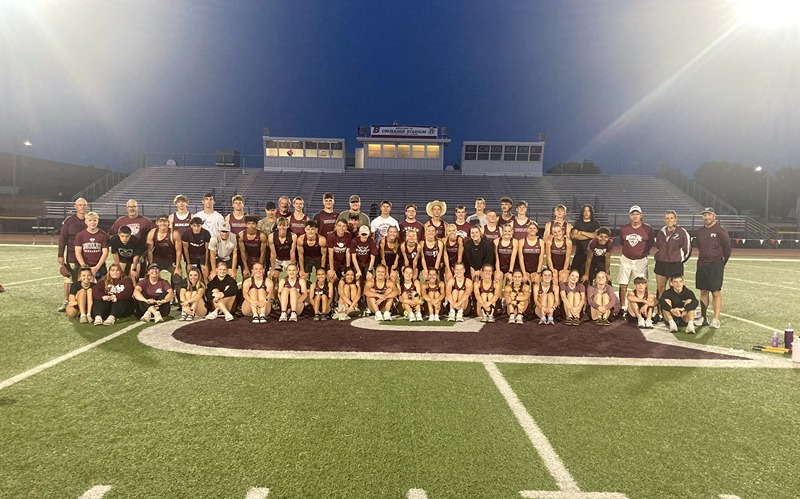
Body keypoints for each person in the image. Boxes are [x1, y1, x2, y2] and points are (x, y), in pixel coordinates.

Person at [695, 207, 731, 329]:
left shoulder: (720, 230)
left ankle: (716, 319)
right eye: (705, 215)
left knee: (715, 292)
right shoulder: (700, 232)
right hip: (702, 265)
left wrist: (721, 263)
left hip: (715, 265)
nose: (707, 217)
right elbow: (700, 247)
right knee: (703, 291)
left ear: (714, 216)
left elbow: (727, 249)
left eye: (709, 215)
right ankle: (703, 317)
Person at [653, 210, 692, 319]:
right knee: (660, 289)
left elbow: (688, 249)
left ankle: (674, 312)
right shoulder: (661, 232)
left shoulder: (682, 232)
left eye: (671, 218)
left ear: (675, 219)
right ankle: (661, 312)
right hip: (661, 264)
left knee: (675, 289)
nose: (669, 220)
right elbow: (659, 247)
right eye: (667, 218)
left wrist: (679, 259)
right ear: (664, 220)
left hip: (675, 264)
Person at [618, 205, 654, 311]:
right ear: (630, 216)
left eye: (637, 214)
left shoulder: (647, 229)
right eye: (633, 214)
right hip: (626, 259)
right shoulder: (624, 228)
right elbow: (622, 242)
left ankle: (642, 307)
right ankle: (622, 307)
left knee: (642, 284)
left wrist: (641, 253)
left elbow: (650, 243)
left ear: (641, 215)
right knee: (623, 283)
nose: (635, 216)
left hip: (640, 260)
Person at [57, 197, 88, 312]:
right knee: (69, 279)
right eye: (80, 205)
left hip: (88, 256)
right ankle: (66, 302)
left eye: (84, 205)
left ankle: (83, 301)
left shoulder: (90, 219)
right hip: (72, 256)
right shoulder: (69, 221)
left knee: (86, 279)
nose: (82, 207)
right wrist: (60, 254)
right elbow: (62, 238)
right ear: (75, 207)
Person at [74, 211, 109, 280]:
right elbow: (78, 252)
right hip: (84, 265)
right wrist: (84, 266)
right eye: (90, 220)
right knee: (83, 285)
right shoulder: (80, 235)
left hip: (99, 266)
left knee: (102, 285)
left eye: (95, 220)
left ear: (98, 221)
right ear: (86, 221)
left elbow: (105, 253)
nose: (92, 222)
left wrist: (97, 267)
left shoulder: (104, 235)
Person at [146, 214, 182, 280]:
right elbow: (149, 250)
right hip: (157, 259)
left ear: (168, 223)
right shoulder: (152, 233)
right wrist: (151, 265)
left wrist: (177, 267)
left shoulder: (174, 234)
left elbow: (178, 251)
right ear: (157, 223)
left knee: (177, 277)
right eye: (160, 221)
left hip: (171, 260)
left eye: (165, 221)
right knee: (150, 277)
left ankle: (175, 286)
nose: (162, 223)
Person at [570, 204, 600, 281]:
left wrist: (582, 232)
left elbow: (596, 236)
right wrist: (590, 235)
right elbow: (574, 236)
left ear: (591, 212)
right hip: (580, 252)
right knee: (575, 273)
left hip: (592, 253)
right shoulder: (578, 223)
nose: (586, 213)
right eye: (584, 211)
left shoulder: (595, 223)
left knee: (590, 276)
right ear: (582, 213)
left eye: (588, 211)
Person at [182, 217, 211, 281]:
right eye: (194, 226)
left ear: (201, 225)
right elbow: (185, 249)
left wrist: (206, 264)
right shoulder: (186, 234)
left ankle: (207, 286)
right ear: (191, 226)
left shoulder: (206, 233)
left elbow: (207, 250)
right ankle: (191, 286)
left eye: (198, 226)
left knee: (205, 272)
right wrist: (188, 263)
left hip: (202, 255)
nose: (196, 228)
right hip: (191, 256)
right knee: (191, 273)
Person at [269, 217, 296, 285]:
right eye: (280, 225)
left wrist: (293, 267)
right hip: (278, 259)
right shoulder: (271, 236)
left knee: (293, 276)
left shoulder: (293, 236)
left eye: (284, 225)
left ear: (287, 226)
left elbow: (292, 253)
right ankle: (275, 289)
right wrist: (272, 269)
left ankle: (287, 286)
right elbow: (273, 254)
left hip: (288, 258)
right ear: (277, 226)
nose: (282, 227)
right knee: (272, 276)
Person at [327, 219, 352, 284]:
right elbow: (330, 254)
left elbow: (348, 253)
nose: (341, 228)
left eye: (344, 226)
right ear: (336, 226)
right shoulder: (331, 236)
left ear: (346, 227)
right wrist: (332, 269)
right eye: (339, 226)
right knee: (332, 278)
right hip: (334, 262)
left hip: (343, 263)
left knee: (347, 279)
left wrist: (347, 268)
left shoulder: (348, 236)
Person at [519, 221, 544, 286]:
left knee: (536, 285)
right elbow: (521, 258)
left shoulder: (541, 242)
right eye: (530, 228)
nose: (532, 230)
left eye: (534, 228)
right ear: (527, 230)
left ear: (537, 230)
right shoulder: (521, 242)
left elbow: (541, 259)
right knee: (525, 286)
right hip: (525, 269)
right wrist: (524, 273)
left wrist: (538, 274)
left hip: (535, 270)